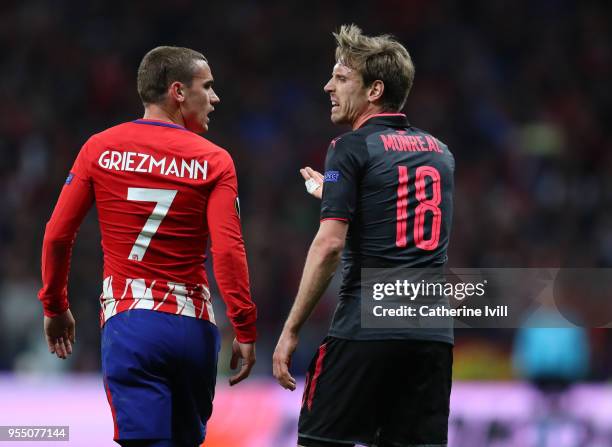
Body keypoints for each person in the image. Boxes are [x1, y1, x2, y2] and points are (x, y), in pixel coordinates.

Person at [38, 46, 257, 447]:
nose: (215, 97)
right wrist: (244, 326)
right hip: (194, 328)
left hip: (132, 323)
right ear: (178, 91)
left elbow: (57, 234)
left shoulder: (100, 148)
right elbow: (228, 250)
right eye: (207, 87)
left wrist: (55, 306)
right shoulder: (215, 160)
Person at [273, 25, 455, 447]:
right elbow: (398, 226)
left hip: (366, 327)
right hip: (430, 333)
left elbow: (330, 245)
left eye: (340, 77)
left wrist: (291, 328)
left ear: (374, 90)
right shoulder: (440, 152)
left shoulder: (350, 147)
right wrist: (336, 194)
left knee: (320, 441)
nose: (328, 86)